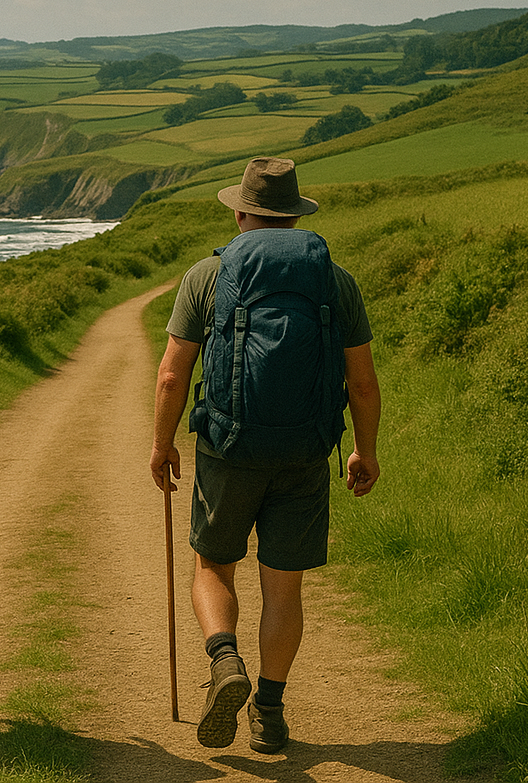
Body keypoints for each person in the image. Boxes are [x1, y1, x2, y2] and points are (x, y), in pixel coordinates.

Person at [149, 156, 381, 754]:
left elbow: (173, 375)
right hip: (304, 450)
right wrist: (364, 450)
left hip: (228, 449)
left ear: (240, 211)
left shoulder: (209, 274)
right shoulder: (335, 279)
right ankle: (271, 713)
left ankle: (225, 661)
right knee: (284, 588)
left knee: (212, 565)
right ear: (296, 212)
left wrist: (161, 444)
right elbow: (362, 383)